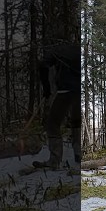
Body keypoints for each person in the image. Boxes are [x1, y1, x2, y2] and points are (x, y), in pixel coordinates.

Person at [33, 41, 81, 170]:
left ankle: (55, 160)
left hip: (65, 92)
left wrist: (46, 88)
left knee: (52, 124)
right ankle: (79, 154)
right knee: (77, 123)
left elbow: (43, 66)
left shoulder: (55, 50)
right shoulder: (78, 48)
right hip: (80, 92)